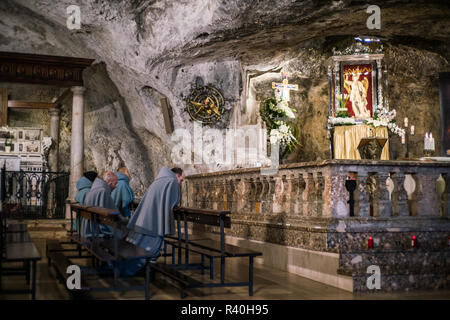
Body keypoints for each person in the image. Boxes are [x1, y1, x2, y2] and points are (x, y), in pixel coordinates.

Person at [121, 166, 184, 276]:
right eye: (181, 180)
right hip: (155, 222)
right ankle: (135, 270)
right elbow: (175, 201)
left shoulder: (157, 181)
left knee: (139, 244)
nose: (180, 183)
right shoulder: (172, 182)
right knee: (150, 246)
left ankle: (128, 268)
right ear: (176, 176)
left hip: (144, 220)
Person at [81, 171, 118, 239]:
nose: (116, 187)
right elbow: (111, 214)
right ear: (109, 183)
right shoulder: (103, 192)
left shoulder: (95, 188)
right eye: (115, 184)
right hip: (96, 230)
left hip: (90, 226)